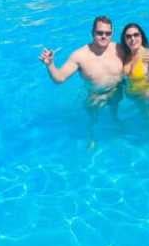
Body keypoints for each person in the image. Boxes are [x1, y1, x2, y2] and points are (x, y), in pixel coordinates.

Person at [38, 16, 124, 149]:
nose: (103, 36)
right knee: (93, 121)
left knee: (114, 111)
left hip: (116, 91)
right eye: (99, 33)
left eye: (107, 33)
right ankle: (91, 138)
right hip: (95, 96)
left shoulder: (119, 49)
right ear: (92, 33)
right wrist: (50, 64)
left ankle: (115, 122)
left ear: (112, 33)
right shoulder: (79, 56)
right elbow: (59, 78)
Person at [120, 23, 149, 101]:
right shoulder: (126, 57)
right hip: (132, 97)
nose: (132, 39)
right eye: (128, 36)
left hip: (147, 97)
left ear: (141, 36)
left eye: (136, 35)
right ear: (124, 40)